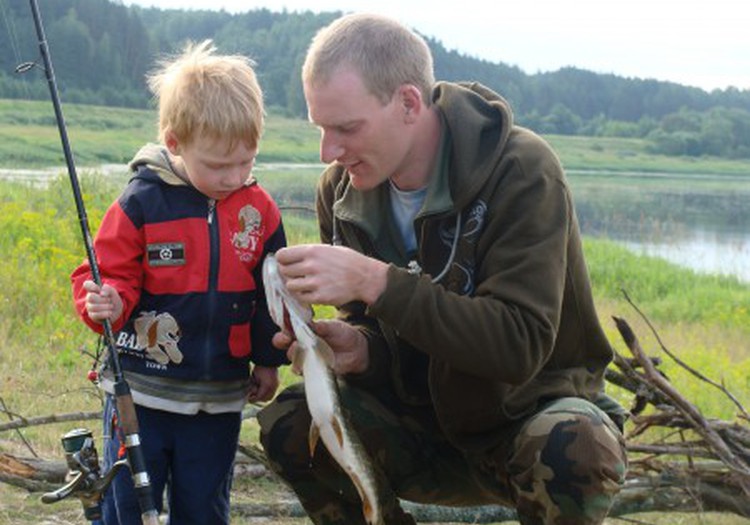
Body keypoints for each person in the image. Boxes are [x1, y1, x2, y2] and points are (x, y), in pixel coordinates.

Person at [258, 13, 628, 525]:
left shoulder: (521, 171)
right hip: (418, 430)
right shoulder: (339, 192)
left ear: (409, 103)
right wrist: (363, 350)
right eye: (321, 129)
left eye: (346, 128)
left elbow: (518, 344)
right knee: (290, 421)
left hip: (523, 426)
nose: (330, 151)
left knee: (575, 442)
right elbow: (383, 331)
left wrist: (375, 279)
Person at [70, 40, 287, 524]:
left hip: (219, 397)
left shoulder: (259, 212)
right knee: (127, 506)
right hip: (141, 392)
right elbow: (106, 275)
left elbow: (270, 297)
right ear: (174, 143)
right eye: (218, 165)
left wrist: (269, 361)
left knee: (205, 506)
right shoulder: (141, 203)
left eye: (246, 161)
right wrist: (104, 302)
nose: (234, 177)